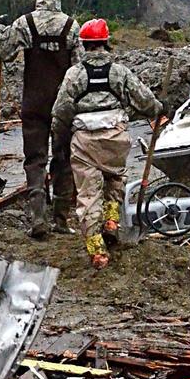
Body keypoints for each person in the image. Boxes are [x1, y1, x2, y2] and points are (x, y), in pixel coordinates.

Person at [50, 19, 164, 269]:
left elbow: (60, 111)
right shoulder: (120, 72)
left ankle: (97, 251)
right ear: (105, 42)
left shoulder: (74, 74)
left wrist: (59, 140)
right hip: (116, 137)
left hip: (84, 142)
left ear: (84, 45)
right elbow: (146, 102)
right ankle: (111, 221)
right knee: (116, 177)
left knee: (89, 196)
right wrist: (159, 108)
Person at [0, 0, 80, 239]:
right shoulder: (71, 27)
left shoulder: (24, 24)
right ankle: (61, 221)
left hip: (34, 103)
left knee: (35, 160)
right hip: (63, 105)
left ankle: (38, 218)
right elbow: (79, 70)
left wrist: (0, 30)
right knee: (63, 160)